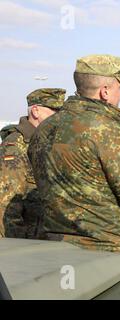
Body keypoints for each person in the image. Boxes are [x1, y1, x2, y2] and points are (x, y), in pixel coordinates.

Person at [28, 54, 120, 258]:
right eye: (119, 87)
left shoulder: (44, 129)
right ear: (105, 91)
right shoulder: (108, 131)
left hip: (54, 248)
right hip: (106, 252)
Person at [0, 88, 65, 238]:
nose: (59, 118)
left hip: (44, 239)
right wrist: (16, 249)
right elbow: (6, 207)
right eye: (55, 112)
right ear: (35, 111)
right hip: (25, 244)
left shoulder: (46, 142)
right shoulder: (15, 146)